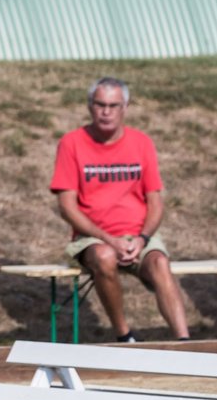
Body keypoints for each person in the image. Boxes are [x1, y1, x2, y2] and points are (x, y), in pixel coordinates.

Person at [50, 77, 190, 342]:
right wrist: (109, 239)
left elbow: (156, 203)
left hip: (138, 237)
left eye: (113, 105)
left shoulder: (142, 143)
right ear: (90, 106)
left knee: (160, 261)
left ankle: (185, 342)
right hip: (93, 238)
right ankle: (125, 336)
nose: (106, 111)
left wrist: (142, 239)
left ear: (125, 107)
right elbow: (67, 207)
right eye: (100, 104)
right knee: (104, 256)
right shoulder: (72, 143)